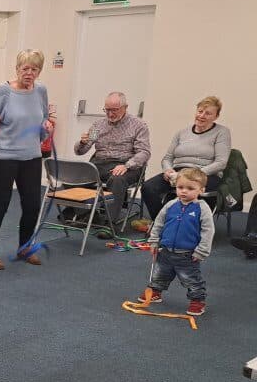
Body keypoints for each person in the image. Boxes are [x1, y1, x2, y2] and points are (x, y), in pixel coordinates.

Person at [0, 49, 54, 270]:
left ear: (39, 71)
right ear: (17, 69)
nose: (29, 73)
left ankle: (25, 248)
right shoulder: (3, 92)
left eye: (34, 69)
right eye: (24, 68)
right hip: (3, 157)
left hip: (31, 157)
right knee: (1, 204)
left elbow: (43, 118)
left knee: (32, 205)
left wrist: (46, 126)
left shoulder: (41, 91)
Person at [139, 96, 230, 222]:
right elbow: (168, 158)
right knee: (148, 187)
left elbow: (221, 163)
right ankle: (164, 222)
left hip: (205, 173)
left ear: (216, 116)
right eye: (200, 111)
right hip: (178, 172)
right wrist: (168, 170)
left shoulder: (222, 132)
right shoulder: (182, 133)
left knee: (189, 188)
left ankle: (184, 224)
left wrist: (193, 174)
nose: (202, 116)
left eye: (208, 113)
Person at [137, 168, 214, 316]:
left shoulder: (202, 208)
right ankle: (155, 292)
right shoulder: (170, 205)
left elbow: (208, 231)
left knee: (191, 279)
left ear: (201, 190)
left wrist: (202, 250)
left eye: (190, 188)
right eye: (180, 187)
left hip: (187, 254)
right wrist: (154, 241)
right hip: (164, 251)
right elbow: (158, 223)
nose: (184, 191)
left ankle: (197, 301)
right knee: (159, 274)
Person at [73, 91, 151, 223]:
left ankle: (109, 223)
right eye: (107, 110)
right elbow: (81, 151)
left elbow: (144, 152)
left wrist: (127, 165)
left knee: (117, 179)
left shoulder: (138, 125)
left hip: (126, 165)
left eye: (114, 110)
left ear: (125, 107)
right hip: (100, 163)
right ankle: (87, 214)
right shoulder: (98, 125)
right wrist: (82, 143)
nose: (110, 114)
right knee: (71, 174)